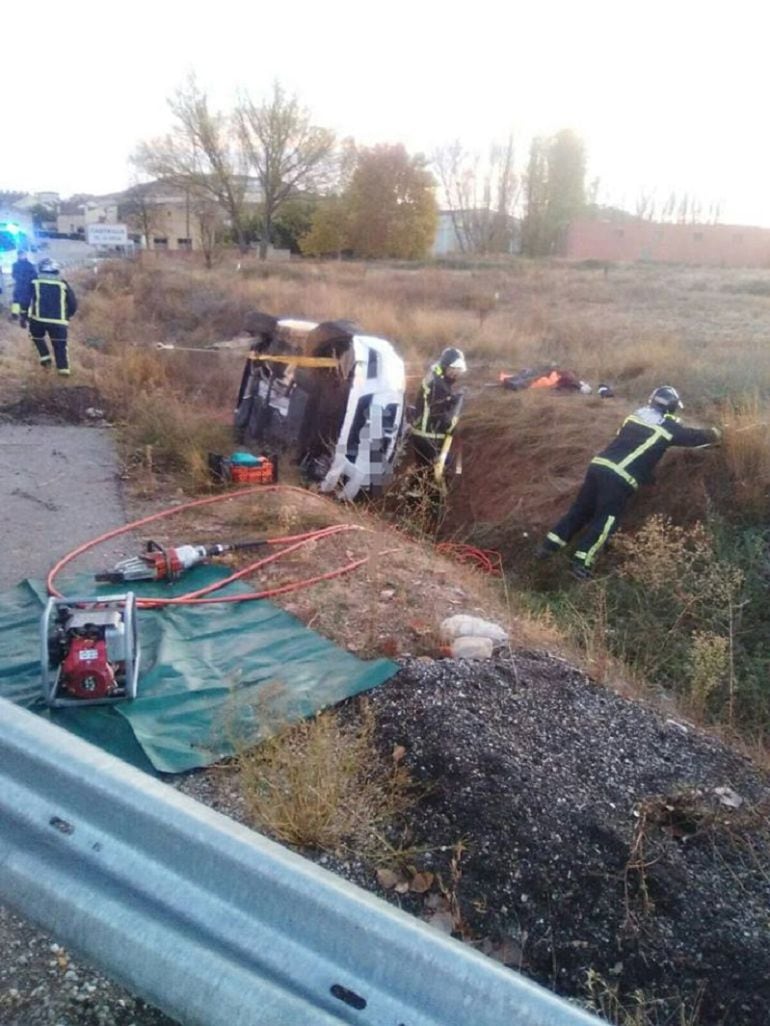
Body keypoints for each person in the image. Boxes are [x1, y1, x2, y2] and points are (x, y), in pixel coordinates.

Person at [537, 385, 721, 579]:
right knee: (607, 519)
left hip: (598, 466)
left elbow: (631, 445)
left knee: (580, 510)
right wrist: (719, 433)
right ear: (671, 407)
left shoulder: (634, 417)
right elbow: (695, 437)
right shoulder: (668, 428)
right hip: (619, 476)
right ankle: (581, 561)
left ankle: (548, 547)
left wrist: (646, 473)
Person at [410, 347, 467, 484]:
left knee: (423, 471)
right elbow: (440, 416)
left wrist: (451, 399)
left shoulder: (436, 377)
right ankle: (432, 503)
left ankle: (415, 499)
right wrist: (453, 417)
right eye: (455, 371)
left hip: (421, 434)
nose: (457, 375)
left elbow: (435, 403)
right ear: (448, 368)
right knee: (436, 474)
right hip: (428, 436)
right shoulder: (438, 385)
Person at [21, 258, 78, 375]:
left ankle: (45, 357)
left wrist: (23, 315)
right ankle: (63, 372)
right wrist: (67, 316)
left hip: (38, 320)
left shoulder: (35, 282)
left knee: (36, 336)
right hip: (59, 322)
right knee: (60, 347)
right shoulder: (63, 284)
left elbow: (25, 300)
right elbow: (73, 303)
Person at [10, 249, 37, 323]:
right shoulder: (15, 265)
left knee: (25, 302)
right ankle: (15, 314)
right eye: (20, 255)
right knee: (16, 301)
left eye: (22, 254)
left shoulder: (30, 265)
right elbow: (14, 274)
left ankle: (24, 316)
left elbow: (34, 275)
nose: (21, 256)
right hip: (20, 286)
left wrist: (27, 280)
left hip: (27, 286)